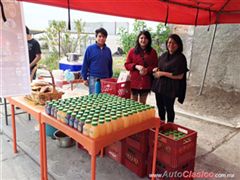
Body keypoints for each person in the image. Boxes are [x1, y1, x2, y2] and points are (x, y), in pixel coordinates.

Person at [152, 34, 189, 123]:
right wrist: (156, 69)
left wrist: (162, 73)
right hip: (160, 86)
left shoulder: (181, 58)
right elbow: (160, 67)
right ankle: (161, 123)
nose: (171, 45)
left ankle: (170, 126)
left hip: (170, 88)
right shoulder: (164, 55)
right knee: (160, 106)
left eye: (174, 43)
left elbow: (180, 76)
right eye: (169, 42)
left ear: (178, 44)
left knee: (169, 107)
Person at [124, 30, 158, 104]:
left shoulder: (153, 52)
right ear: (138, 39)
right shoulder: (132, 51)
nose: (143, 40)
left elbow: (155, 66)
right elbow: (126, 65)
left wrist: (147, 70)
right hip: (134, 82)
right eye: (141, 38)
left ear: (149, 40)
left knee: (142, 104)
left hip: (146, 82)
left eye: (145, 38)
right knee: (133, 105)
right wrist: (136, 66)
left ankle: (141, 116)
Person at [81, 28, 113, 94]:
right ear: (96, 37)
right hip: (93, 78)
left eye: (103, 37)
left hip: (105, 79)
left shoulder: (108, 50)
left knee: (105, 99)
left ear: (106, 38)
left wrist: (110, 77)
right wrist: (84, 78)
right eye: (99, 36)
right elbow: (85, 64)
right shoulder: (90, 49)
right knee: (94, 99)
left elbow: (110, 64)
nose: (101, 38)